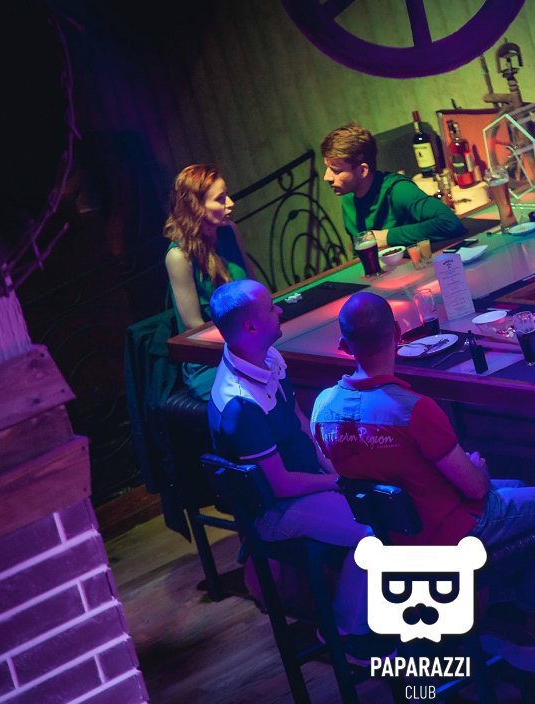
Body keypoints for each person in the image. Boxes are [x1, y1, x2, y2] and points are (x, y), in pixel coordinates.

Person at [310, 291, 535, 617]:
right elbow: (475, 489)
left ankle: (500, 608)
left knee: (518, 485)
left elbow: (340, 469)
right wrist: (477, 469)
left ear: (344, 346)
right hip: (451, 533)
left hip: (395, 539)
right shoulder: (413, 410)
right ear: (398, 333)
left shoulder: (322, 408)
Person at [206, 280, 390, 661]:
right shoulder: (240, 404)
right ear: (250, 327)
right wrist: (337, 481)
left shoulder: (267, 357)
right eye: (271, 308)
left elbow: (298, 420)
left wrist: (332, 462)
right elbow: (281, 485)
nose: (280, 311)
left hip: (304, 485)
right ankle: (345, 632)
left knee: (386, 492)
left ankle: (387, 612)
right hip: (275, 511)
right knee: (374, 529)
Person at [164, 164, 253, 400]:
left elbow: (254, 289)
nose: (230, 203)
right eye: (220, 199)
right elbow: (195, 326)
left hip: (251, 343)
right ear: (196, 206)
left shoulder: (229, 231)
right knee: (257, 390)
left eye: (227, 195)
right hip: (212, 360)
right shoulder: (179, 256)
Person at [321, 123, 465, 249]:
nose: (327, 177)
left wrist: (386, 237)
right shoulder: (348, 196)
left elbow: (449, 222)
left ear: (362, 171)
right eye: (327, 168)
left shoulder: (398, 189)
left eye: (336, 170)